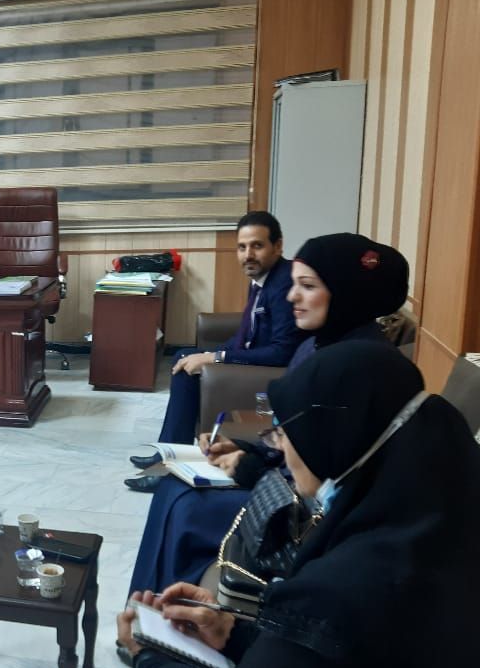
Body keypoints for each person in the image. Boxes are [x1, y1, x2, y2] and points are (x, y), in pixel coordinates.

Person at [73, 341, 480, 668]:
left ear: (334, 439)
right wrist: (233, 632)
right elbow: (333, 666)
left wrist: (150, 659)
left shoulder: (358, 578)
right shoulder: (435, 515)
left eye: (283, 436)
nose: (281, 451)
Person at [128, 235, 409, 595]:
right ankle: (150, 613)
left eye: (307, 286)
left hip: (305, 520)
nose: (292, 297)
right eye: (294, 285)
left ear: (346, 292)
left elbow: (332, 483)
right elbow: (295, 437)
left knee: (187, 508)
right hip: (280, 486)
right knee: (172, 489)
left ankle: (174, 613)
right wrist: (245, 448)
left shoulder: (361, 369)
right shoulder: (317, 345)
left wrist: (252, 469)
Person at [125, 211, 303, 493]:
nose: (248, 255)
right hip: (255, 357)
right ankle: (169, 452)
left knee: (190, 367)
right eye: (242, 247)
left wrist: (216, 357)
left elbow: (282, 352)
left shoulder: (284, 284)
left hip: (271, 370)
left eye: (257, 246)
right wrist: (211, 353)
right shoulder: (262, 276)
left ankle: (170, 464)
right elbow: (248, 332)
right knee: (184, 358)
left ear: (278, 246)